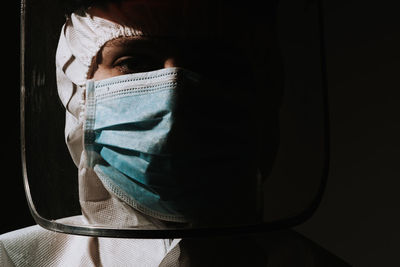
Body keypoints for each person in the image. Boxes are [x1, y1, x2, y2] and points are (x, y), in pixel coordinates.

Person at [1, 0, 350, 266]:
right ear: (79, 89)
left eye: (213, 64)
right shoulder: (16, 258)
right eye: (134, 62)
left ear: (262, 93)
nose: (175, 95)